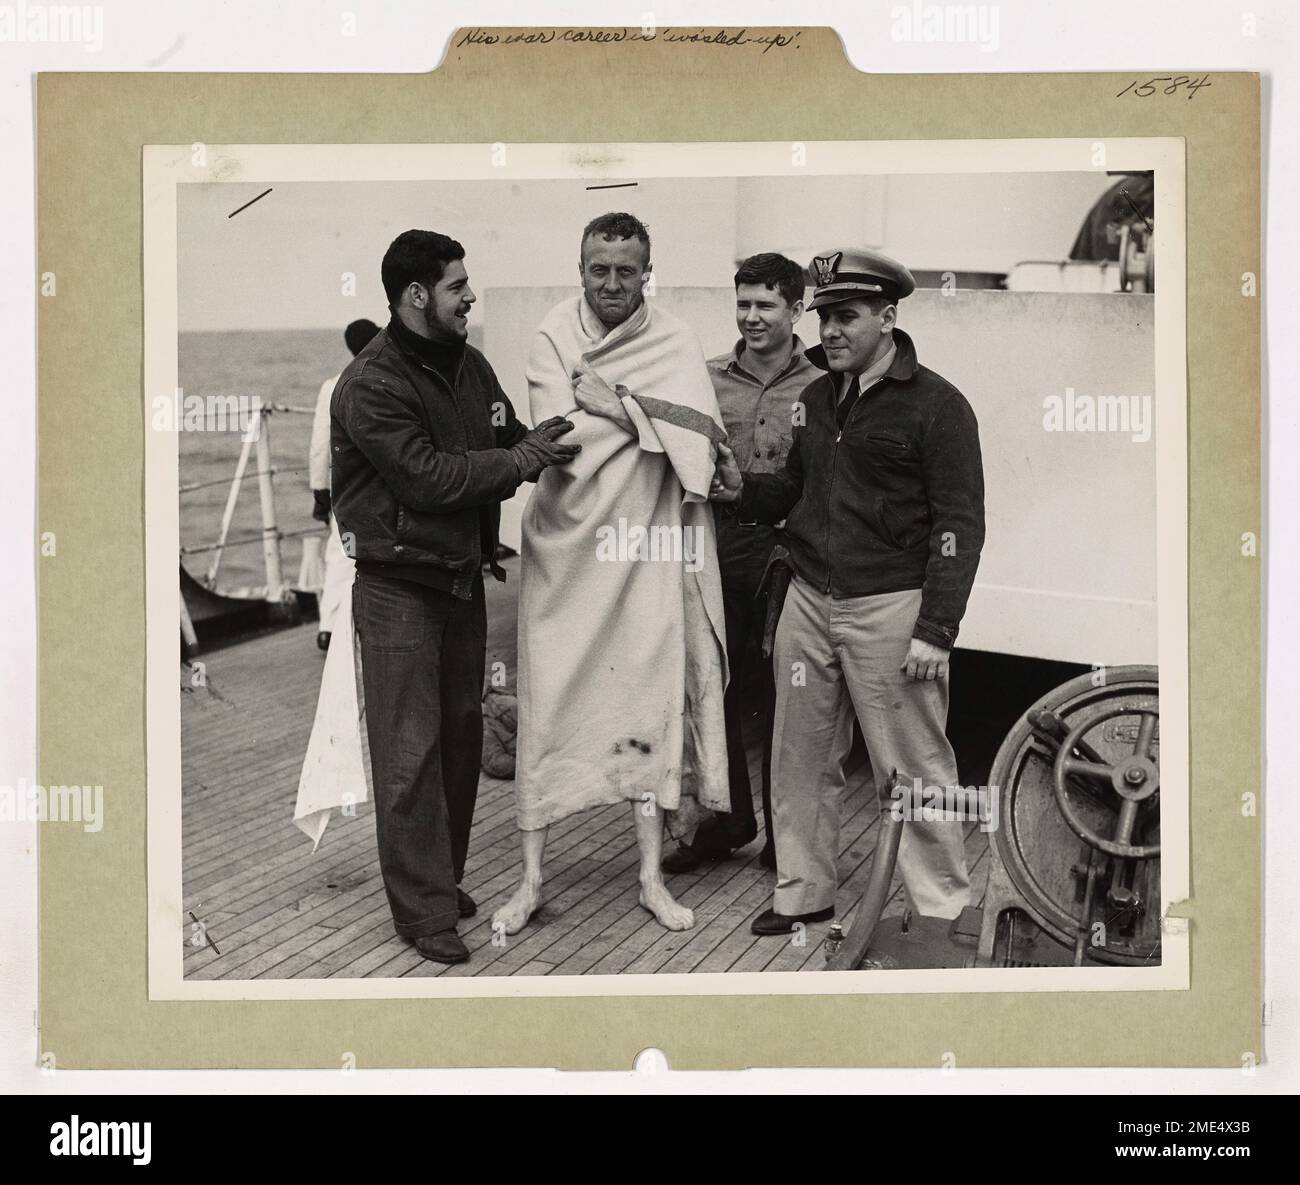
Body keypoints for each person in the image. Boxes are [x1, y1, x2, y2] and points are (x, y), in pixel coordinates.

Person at [710, 247, 985, 937]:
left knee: (915, 763)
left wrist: (937, 627)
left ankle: (941, 910)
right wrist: (745, 490)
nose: (831, 330)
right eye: (826, 315)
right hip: (807, 598)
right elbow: (795, 491)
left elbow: (960, 524)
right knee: (797, 753)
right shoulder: (815, 399)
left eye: (848, 316)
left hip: (891, 608)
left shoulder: (938, 406)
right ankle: (804, 891)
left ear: (888, 317)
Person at [330, 229, 581, 964]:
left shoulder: (470, 365)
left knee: (461, 745)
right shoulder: (371, 383)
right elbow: (428, 477)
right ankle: (423, 911)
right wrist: (519, 460)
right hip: (398, 590)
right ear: (416, 296)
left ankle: (438, 878)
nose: (470, 295)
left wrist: (580, 430)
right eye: (456, 285)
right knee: (409, 755)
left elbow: (510, 433)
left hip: (461, 580)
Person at [492, 212, 730, 936]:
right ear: (581, 268)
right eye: (600, 269)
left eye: (628, 271)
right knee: (548, 713)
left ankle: (651, 877)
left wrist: (618, 404)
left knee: (647, 710)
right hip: (566, 557)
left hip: (649, 554)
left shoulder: (674, 339)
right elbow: (562, 440)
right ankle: (531, 877)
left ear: (646, 272)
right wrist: (647, 427)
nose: (613, 284)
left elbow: (706, 452)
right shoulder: (551, 336)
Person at [662, 253, 816, 874]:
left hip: (788, 554)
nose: (751, 318)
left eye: (766, 305)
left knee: (789, 693)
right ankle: (726, 820)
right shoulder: (704, 379)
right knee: (712, 684)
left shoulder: (826, 381)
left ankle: (788, 834)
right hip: (717, 547)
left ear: (796, 308)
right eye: (743, 304)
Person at [309, 318, 379, 650]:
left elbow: (321, 444)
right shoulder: (388, 380)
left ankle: (329, 626)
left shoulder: (332, 385)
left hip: (347, 484)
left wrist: (320, 491)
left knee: (339, 552)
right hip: (383, 483)